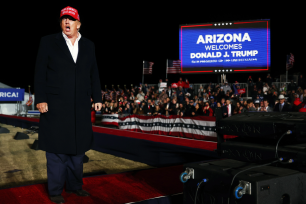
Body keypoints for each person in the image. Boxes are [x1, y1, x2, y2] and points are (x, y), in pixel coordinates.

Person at [34, 6, 102, 203]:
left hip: (80, 106)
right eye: (63, 19)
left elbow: (94, 73)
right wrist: (40, 99)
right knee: (56, 149)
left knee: (77, 149)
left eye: (70, 19)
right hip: (54, 105)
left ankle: (75, 186)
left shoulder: (89, 45)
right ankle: (55, 191)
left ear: (78, 23)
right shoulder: (47, 42)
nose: (66, 22)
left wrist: (97, 97)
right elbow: (39, 73)